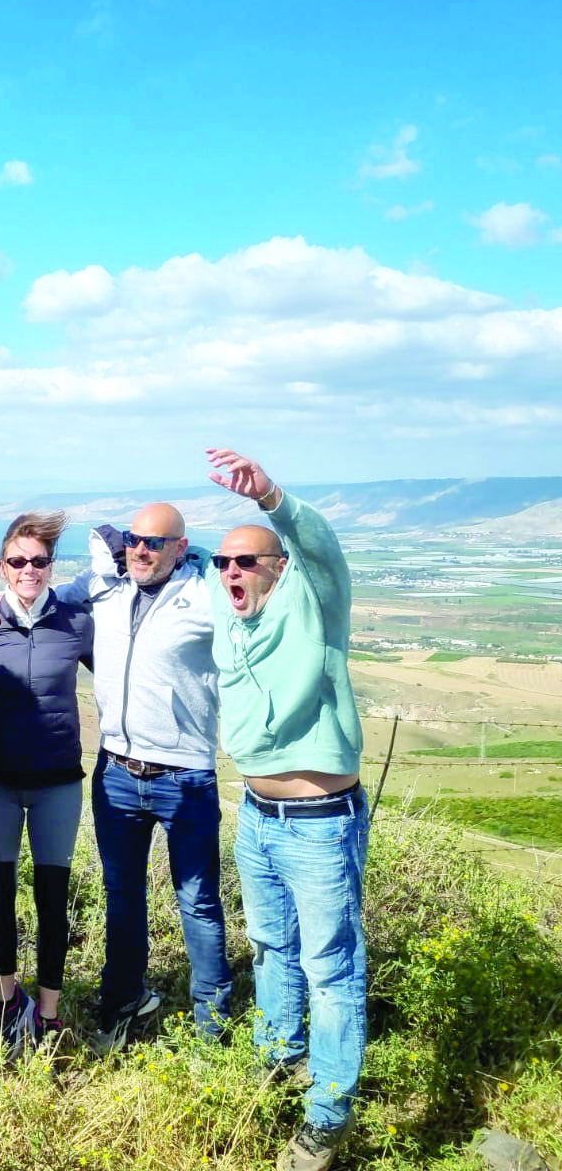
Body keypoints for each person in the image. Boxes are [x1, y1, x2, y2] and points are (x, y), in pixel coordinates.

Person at [205, 448, 366, 1171]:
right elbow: (155, 557)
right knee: (271, 949)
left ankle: (328, 1115)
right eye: (223, 563)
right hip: (256, 818)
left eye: (247, 561)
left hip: (319, 824)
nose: (231, 572)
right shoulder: (227, 612)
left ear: (277, 566)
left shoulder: (315, 600)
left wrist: (270, 496)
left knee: (329, 967)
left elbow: (320, 549)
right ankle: (278, 1059)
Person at [49, 506, 232, 1054]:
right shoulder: (110, 591)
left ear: (181, 547)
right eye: (134, 540)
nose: (141, 550)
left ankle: (212, 1032)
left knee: (197, 901)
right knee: (121, 895)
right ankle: (123, 1003)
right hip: (118, 772)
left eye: (156, 542)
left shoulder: (204, 596)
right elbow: (49, 600)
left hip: (186, 774)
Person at [0, 510, 93, 1058]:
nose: (28, 569)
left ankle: (49, 1011)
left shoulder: (76, 622)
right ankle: (6, 1001)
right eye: (18, 561)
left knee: (53, 898)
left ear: (50, 566)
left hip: (58, 780)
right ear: (2, 567)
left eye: (39, 561)